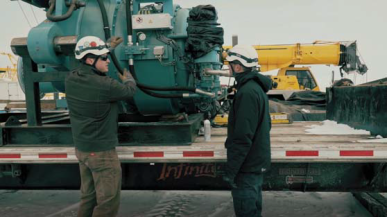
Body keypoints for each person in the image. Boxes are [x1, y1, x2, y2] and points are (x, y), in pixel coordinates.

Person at [65, 36, 136, 217]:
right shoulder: (105, 85)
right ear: (90, 60)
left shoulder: (71, 79)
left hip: (83, 149)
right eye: (104, 58)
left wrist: (108, 47)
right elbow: (129, 91)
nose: (108, 62)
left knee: (88, 197)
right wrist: (128, 78)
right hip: (102, 153)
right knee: (108, 202)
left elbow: (82, 66)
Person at [223, 45, 272, 217]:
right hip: (254, 164)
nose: (227, 67)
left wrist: (231, 170)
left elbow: (243, 136)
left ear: (237, 67)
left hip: (247, 167)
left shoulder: (247, 92)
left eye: (229, 64)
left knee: (246, 211)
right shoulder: (255, 88)